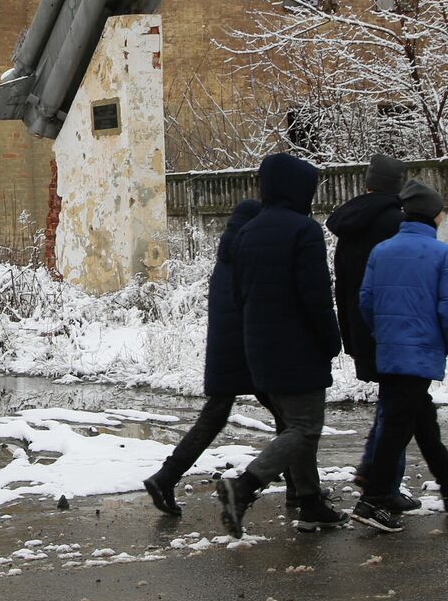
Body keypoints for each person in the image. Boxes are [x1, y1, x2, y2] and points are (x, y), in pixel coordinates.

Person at [213, 153, 346, 536]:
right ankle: (243, 488)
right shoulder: (303, 230)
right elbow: (316, 295)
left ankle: (309, 501)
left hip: (259, 346)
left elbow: (239, 294)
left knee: (292, 425)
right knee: (304, 428)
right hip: (298, 346)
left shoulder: (249, 231)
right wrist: (330, 339)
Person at [141, 199, 298, 516]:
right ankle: (300, 492)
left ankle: (166, 477)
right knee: (292, 421)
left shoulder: (226, 256)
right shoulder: (249, 256)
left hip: (226, 351)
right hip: (248, 350)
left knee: (222, 417)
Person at [352, 180, 448, 533]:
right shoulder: (443, 256)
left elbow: (366, 300)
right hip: (422, 349)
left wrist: (385, 334)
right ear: (435, 216)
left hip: (391, 348)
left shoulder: (381, 251)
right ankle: (372, 501)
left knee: (422, 420)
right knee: (397, 425)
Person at [327, 153, 418, 512]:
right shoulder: (396, 223)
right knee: (400, 406)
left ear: (368, 183)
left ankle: (373, 470)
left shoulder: (349, 223)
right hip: (392, 327)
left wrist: (348, 332)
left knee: (395, 403)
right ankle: (384, 488)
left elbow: (343, 284)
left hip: (360, 326)